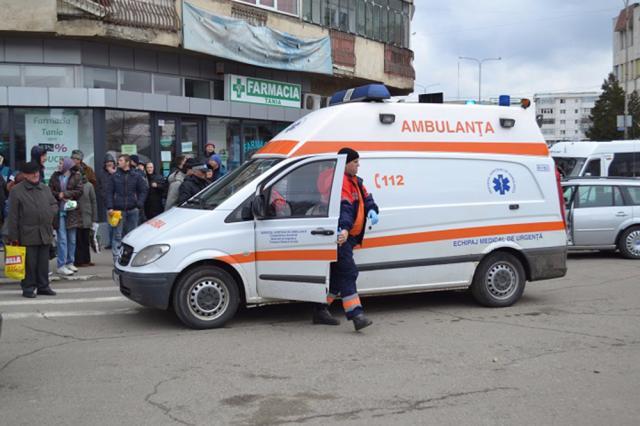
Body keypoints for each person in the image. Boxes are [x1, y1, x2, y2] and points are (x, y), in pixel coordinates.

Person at [312, 148, 379, 331]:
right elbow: (345, 208)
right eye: (355, 162)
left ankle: (321, 308)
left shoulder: (355, 181)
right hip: (341, 236)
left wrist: (372, 209)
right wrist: (345, 229)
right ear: (346, 163)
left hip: (347, 236)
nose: (358, 165)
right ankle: (356, 315)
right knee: (349, 272)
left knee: (337, 276)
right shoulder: (341, 182)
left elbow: (367, 198)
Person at [7, 162, 59, 298]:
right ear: (24, 175)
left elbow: (54, 204)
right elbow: (13, 216)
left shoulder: (45, 188)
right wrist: (13, 237)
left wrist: (50, 212)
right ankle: (28, 288)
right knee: (30, 264)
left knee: (43, 263)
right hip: (27, 233)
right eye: (32, 173)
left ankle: (43, 286)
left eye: (37, 172)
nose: (36, 175)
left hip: (44, 232)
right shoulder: (16, 191)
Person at [105, 154, 148, 262]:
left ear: (127, 162)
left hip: (133, 209)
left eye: (120, 160)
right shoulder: (114, 176)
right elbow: (109, 192)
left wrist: (139, 203)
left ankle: (130, 259)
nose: (118, 162)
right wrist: (110, 207)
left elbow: (144, 190)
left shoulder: (136, 175)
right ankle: (116, 259)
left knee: (132, 236)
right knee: (117, 236)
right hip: (118, 210)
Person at [49, 158, 84, 276]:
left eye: (61, 163)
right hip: (59, 211)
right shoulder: (54, 176)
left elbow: (79, 191)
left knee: (72, 239)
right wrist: (58, 195)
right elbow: (50, 191)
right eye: (58, 163)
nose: (59, 165)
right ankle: (61, 265)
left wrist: (66, 194)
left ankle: (70, 262)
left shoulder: (76, 176)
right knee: (62, 239)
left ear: (67, 166)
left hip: (72, 211)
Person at [75, 173, 97, 267]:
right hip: (75, 216)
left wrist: (94, 218)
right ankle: (79, 261)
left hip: (86, 215)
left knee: (86, 239)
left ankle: (87, 260)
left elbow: (93, 201)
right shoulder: (73, 185)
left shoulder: (89, 185)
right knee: (78, 240)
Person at [96, 153, 117, 248]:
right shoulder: (101, 174)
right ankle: (110, 243)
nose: (109, 164)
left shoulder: (117, 172)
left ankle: (115, 243)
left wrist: (113, 173)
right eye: (107, 162)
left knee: (116, 224)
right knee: (110, 224)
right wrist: (106, 199)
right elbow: (101, 188)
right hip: (108, 203)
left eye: (111, 162)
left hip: (117, 202)